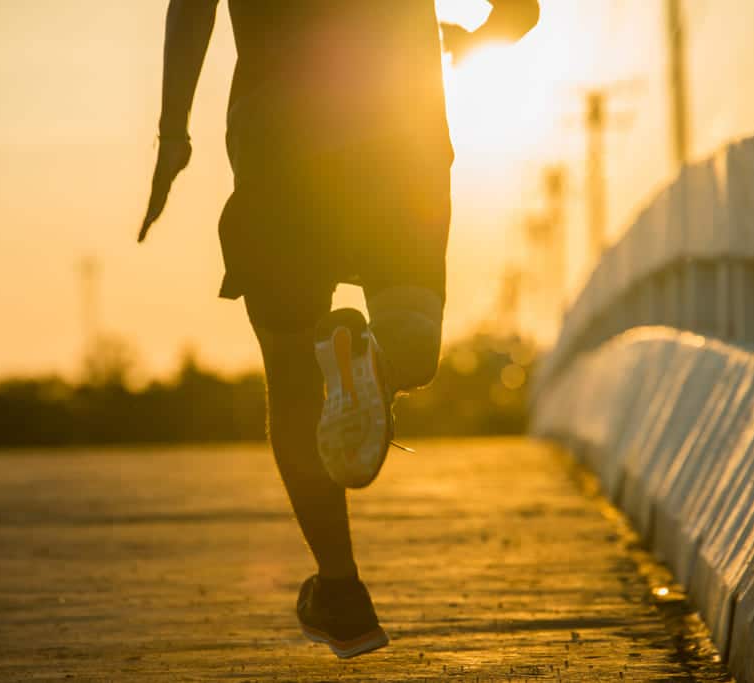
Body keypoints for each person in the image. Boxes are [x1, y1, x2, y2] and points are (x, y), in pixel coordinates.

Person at [140, 0, 539, 659]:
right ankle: (377, 358)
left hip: (280, 146)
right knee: (412, 336)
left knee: (294, 373)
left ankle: (342, 593)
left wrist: (173, 135)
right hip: (400, 139)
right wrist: (475, 41)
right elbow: (521, 10)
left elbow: (190, 7)